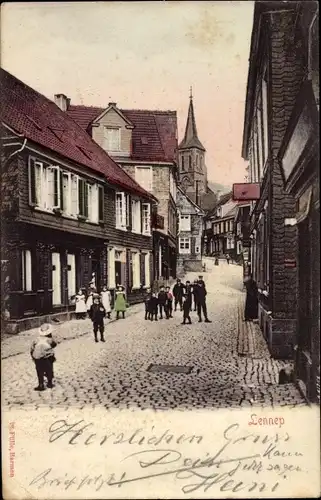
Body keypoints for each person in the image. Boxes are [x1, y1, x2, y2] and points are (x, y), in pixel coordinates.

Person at [30, 323, 57, 391]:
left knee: (39, 371)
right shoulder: (49, 340)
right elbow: (54, 344)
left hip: (37, 357)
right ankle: (49, 383)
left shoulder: (36, 339)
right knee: (49, 369)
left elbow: (32, 348)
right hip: (46, 357)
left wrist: (33, 357)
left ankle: (41, 384)